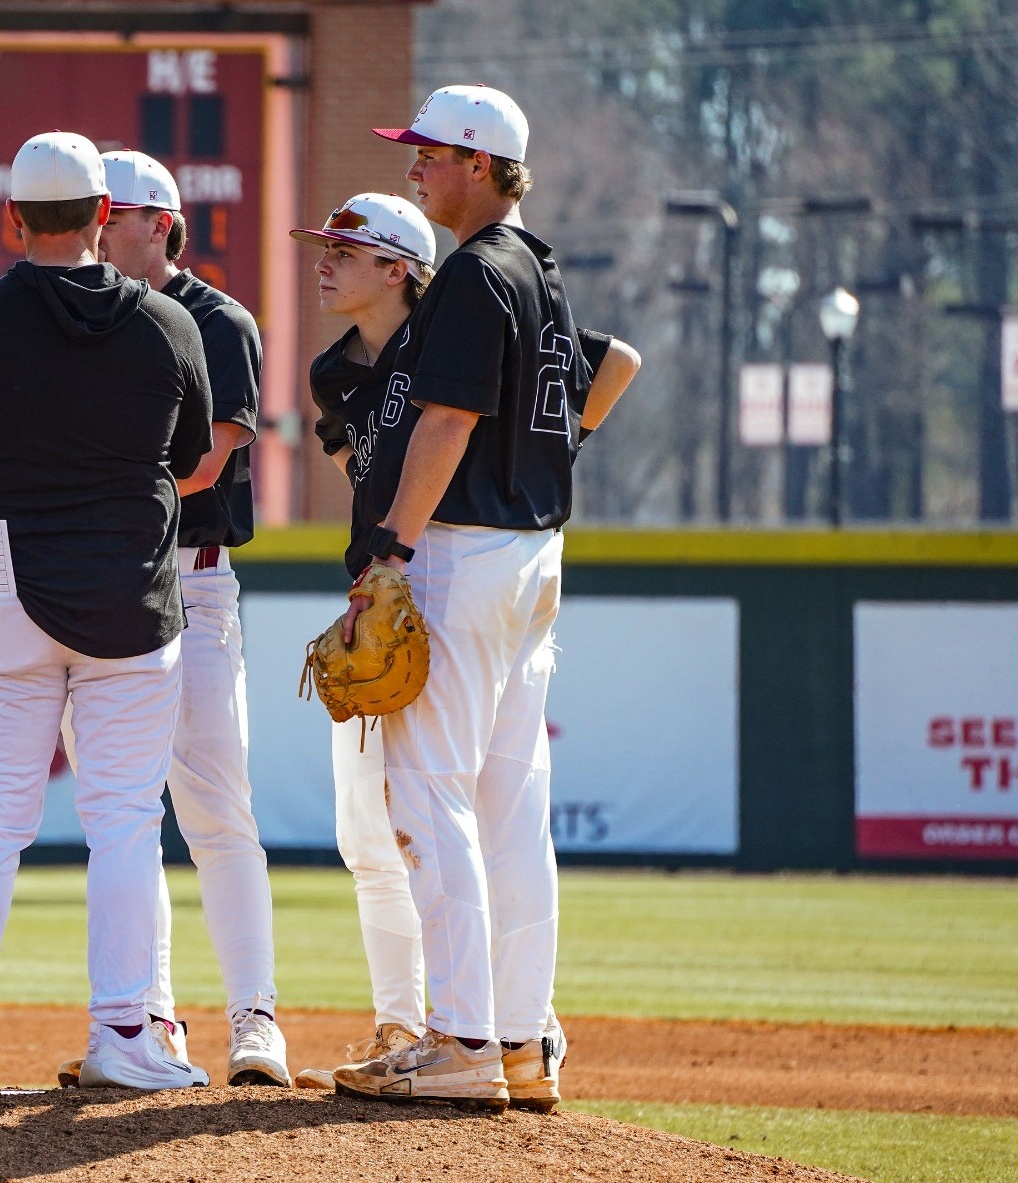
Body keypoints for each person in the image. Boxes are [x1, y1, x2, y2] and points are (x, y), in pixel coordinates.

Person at [0, 131, 213, 1097]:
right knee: (124, 821)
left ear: (12, 220)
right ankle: (124, 1031)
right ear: (105, 217)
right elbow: (192, 449)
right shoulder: (168, 323)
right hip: (133, 591)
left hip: (8, 580)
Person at [329, 83, 625, 1113]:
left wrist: (386, 550)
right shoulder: (539, 270)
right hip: (534, 552)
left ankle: (455, 1037)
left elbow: (446, 422)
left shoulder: (470, 275)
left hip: (461, 551)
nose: (413, 170)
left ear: (478, 164)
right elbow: (601, 373)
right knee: (510, 809)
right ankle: (521, 1041)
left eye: (427, 155)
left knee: (426, 792)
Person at [58, 148, 285, 1087]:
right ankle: (149, 1018)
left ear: (160, 223)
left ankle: (255, 1019)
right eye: (94, 214)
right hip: (99, 584)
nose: (98, 228)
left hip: (190, 581)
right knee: (123, 812)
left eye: (114, 215)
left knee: (218, 810)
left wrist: (82, 485)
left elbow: (209, 462)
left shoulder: (215, 319)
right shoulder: (80, 318)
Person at [287, 193, 442, 1088]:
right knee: (364, 831)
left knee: (438, 820)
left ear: (398, 269)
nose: (324, 258)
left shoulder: (445, 344)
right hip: (370, 595)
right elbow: (356, 465)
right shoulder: (332, 372)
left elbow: (608, 364)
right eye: (323, 243)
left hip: (443, 583)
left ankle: (498, 1024)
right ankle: (399, 1025)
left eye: (345, 248)